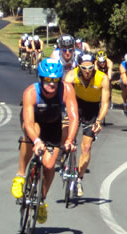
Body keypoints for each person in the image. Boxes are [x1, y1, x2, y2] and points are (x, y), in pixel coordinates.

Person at [10, 58, 79, 223]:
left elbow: (74, 118)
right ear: (40, 78)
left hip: (53, 123)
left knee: (49, 165)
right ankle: (20, 175)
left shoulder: (67, 90)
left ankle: (41, 199)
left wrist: (69, 139)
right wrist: (37, 141)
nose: (52, 85)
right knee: (29, 137)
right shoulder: (31, 93)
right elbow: (27, 122)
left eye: (55, 80)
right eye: (48, 80)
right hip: (34, 122)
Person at [63, 52, 110, 197]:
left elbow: (105, 103)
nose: (88, 71)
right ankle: (63, 158)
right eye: (84, 68)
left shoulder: (102, 79)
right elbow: (63, 96)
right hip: (76, 106)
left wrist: (98, 121)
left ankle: (78, 178)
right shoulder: (71, 76)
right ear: (79, 67)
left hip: (92, 111)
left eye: (90, 68)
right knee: (65, 136)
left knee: (86, 147)